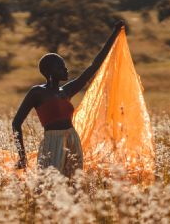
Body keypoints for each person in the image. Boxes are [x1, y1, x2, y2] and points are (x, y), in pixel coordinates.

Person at [12, 20, 125, 178]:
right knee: (48, 185)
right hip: (52, 142)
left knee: (73, 184)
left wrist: (114, 34)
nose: (66, 69)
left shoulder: (67, 90)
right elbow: (16, 123)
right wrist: (22, 156)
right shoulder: (37, 92)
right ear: (50, 71)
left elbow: (94, 66)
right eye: (61, 66)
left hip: (72, 139)